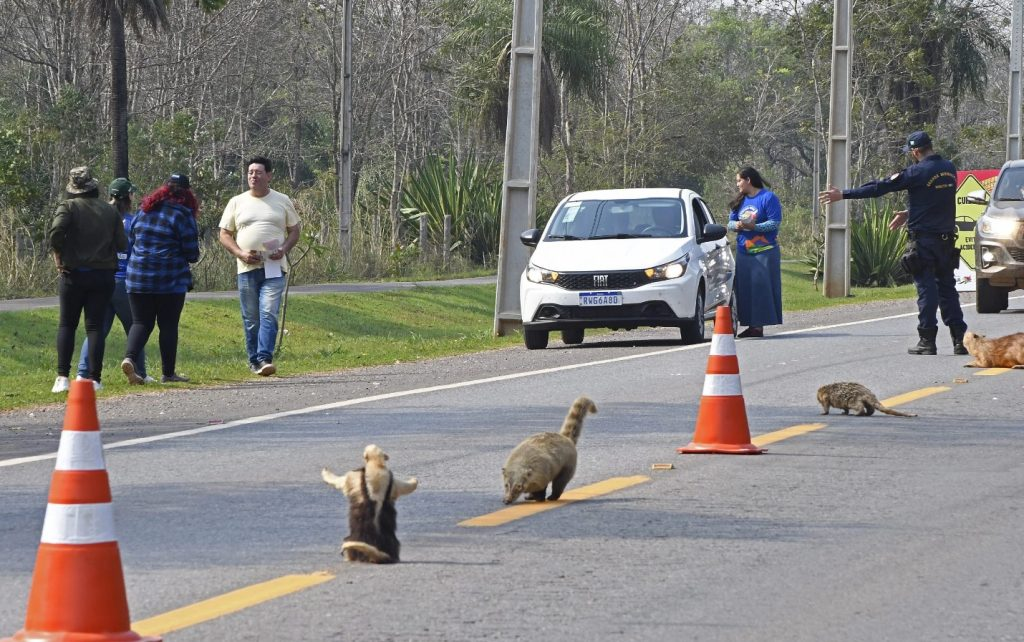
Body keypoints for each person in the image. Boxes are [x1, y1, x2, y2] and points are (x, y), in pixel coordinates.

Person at [819, 130, 967, 355]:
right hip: (946, 241)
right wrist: (909, 213)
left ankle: (927, 340)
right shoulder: (949, 168)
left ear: (915, 152)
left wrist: (844, 194)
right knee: (947, 290)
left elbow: (879, 188)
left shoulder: (917, 171)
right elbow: (935, 200)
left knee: (927, 290)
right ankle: (959, 340)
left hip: (924, 241)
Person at [218, 156, 301, 376]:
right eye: (250, 172)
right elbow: (224, 234)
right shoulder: (237, 201)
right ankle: (254, 361)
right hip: (247, 269)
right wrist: (240, 253)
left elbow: (294, 230)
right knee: (252, 318)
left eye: (258, 172)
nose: (253, 176)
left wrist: (283, 249)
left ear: (269, 175)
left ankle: (265, 358)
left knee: (268, 312)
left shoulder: (282, 200)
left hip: (274, 268)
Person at [47, 166, 128, 393]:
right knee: (94, 327)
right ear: (93, 186)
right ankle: (94, 379)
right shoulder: (109, 211)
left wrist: (59, 253)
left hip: (73, 274)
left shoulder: (68, 207)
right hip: (103, 275)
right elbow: (122, 244)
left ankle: (62, 377)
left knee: (67, 324)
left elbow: (56, 233)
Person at [121, 173, 200, 384]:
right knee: (168, 325)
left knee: (141, 322)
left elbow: (132, 239)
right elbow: (192, 252)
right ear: (187, 193)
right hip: (169, 280)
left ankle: (129, 358)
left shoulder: (144, 210)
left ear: (164, 189)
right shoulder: (182, 214)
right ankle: (168, 373)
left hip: (137, 277)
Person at [76, 178, 155, 385]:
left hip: (100, 279)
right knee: (136, 326)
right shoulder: (133, 221)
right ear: (128, 196)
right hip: (124, 281)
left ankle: (83, 374)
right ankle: (140, 372)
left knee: (97, 330)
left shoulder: (97, 218)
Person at [727, 166, 784, 338]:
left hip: (765, 252)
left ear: (748, 180)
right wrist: (737, 225)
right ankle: (752, 326)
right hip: (744, 252)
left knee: (761, 289)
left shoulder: (768, 198)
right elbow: (730, 223)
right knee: (745, 289)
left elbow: (774, 222)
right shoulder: (740, 201)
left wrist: (755, 227)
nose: (737, 184)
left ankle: (759, 326)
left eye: (739, 180)